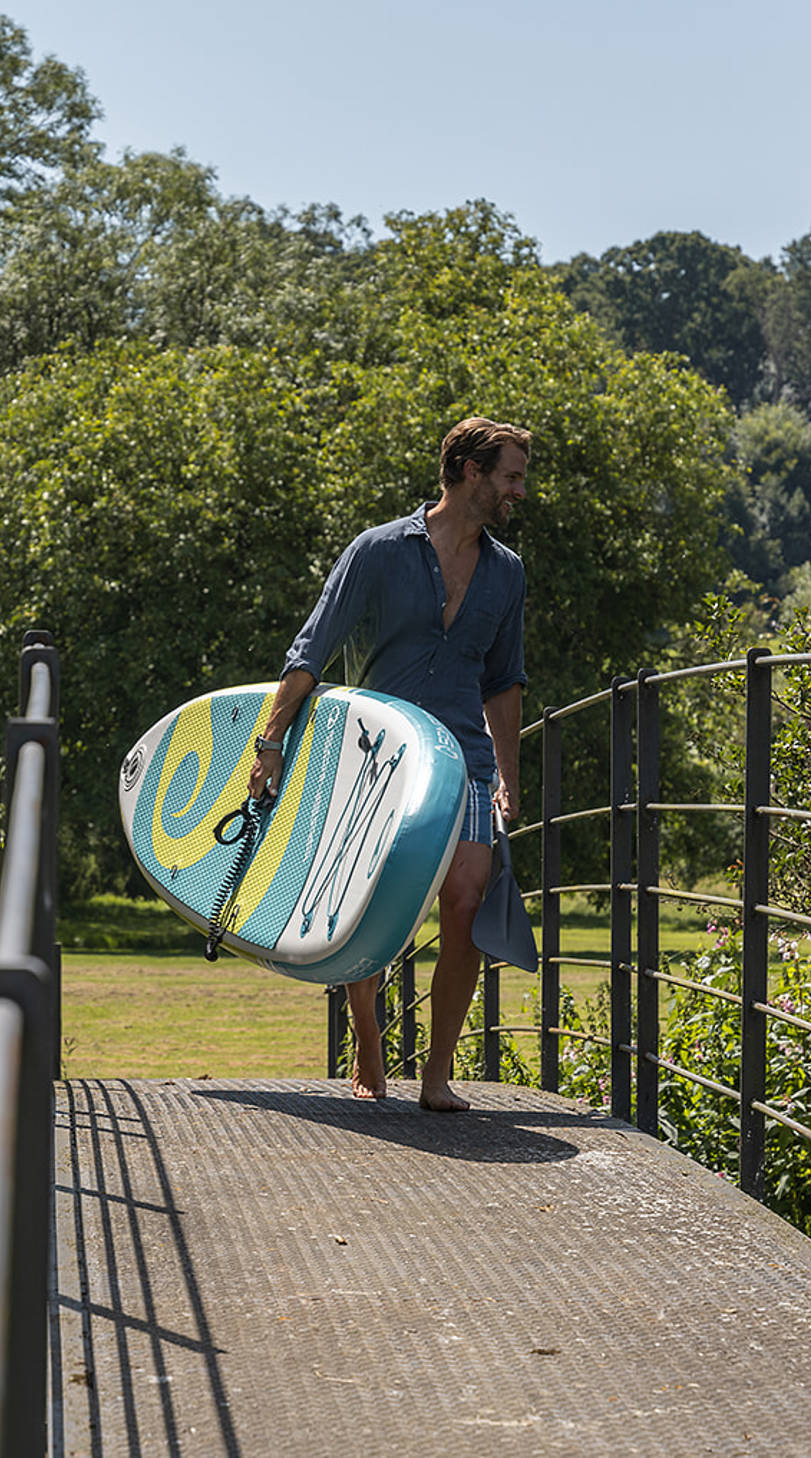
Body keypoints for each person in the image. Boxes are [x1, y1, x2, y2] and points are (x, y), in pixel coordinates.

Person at [248, 416, 530, 1111]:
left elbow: (505, 681)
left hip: (463, 756)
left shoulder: (507, 573)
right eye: (511, 476)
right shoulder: (377, 551)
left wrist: (508, 778)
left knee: (466, 897)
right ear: (470, 471)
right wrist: (271, 738)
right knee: (368, 904)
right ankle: (368, 1032)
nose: (520, 491)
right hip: (378, 755)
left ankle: (437, 1074)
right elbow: (312, 649)